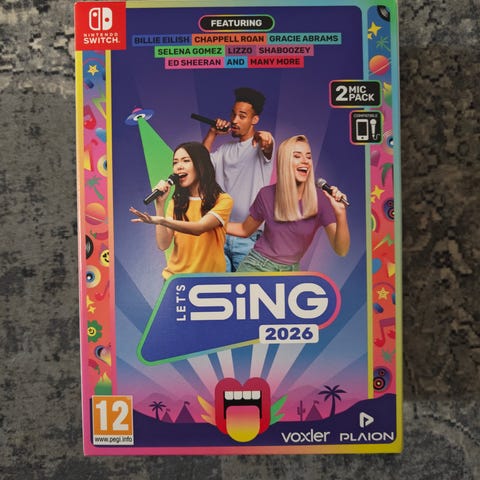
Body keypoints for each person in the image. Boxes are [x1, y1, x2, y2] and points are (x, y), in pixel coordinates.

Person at [226, 135, 350, 272]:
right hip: (257, 266)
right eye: (297, 156)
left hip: (291, 271)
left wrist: (341, 213)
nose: (305, 161)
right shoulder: (266, 194)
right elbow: (244, 230)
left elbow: (341, 250)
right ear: (284, 161)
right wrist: (215, 223)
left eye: (308, 157)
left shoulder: (321, 199)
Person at [130, 142, 233, 280]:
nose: (179, 166)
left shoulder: (223, 200)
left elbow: (199, 228)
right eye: (175, 162)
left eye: (186, 161)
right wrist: (160, 205)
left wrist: (161, 220)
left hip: (210, 281)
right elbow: (163, 244)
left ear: (201, 164)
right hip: (176, 280)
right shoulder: (176, 202)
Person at [202, 87, 274, 272]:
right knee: (219, 286)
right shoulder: (224, 150)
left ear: (254, 120)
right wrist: (212, 133)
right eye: (233, 114)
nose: (234, 120)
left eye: (242, 116)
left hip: (249, 238)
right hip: (219, 234)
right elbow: (200, 164)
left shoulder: (260, 148)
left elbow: (268, 146)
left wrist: (266, 139)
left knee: (248, 286)